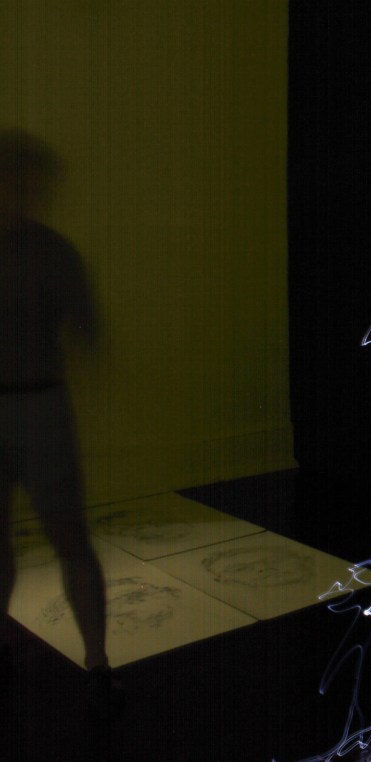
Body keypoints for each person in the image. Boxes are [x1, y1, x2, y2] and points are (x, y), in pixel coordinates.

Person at [0, 129, 121, 718]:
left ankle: (97, 660)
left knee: (69, 537)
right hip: (38, 406)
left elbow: (87, 330)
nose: (24, 193)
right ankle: (93, 663)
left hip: (42, 405)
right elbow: (88, 333)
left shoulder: (54, 252)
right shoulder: (53, 252)